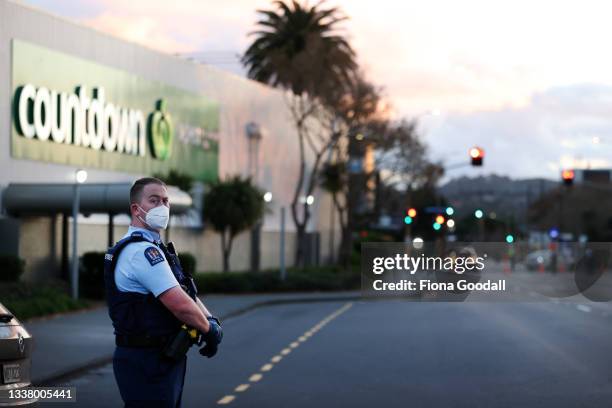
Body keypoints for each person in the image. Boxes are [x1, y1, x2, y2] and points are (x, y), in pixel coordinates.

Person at [104, 177, 223, 407]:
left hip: (160, 357)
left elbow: (186, 292)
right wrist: (210, 331)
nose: (162, 206)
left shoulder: (155, 248)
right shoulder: (142, 252)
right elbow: (179, 304)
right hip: (147, 360)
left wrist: (209, 322)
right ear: (136, 209)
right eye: (154, 200)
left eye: (166, 201)